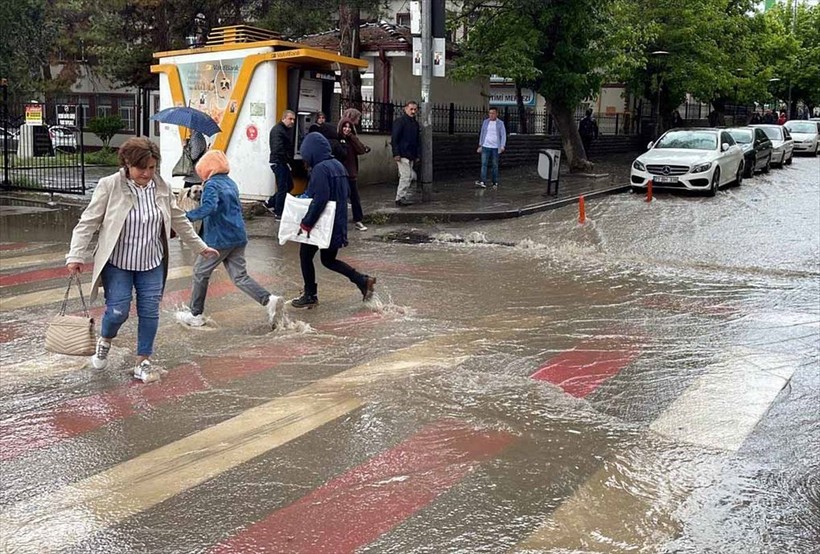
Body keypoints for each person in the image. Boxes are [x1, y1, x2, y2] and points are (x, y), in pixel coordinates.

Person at [65, 137, 218, 383]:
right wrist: (75, 255)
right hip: (118, 264)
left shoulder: (162, 187)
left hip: (151, 262)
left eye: (152, 168)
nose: (147, 173)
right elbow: (88, 223)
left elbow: (178, 219)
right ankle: (105, 340)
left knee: (149, 312)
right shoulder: (110, 186)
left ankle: (142, 361)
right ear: (127, 163)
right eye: (141, 168)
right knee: (117, 312)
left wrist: (200, 247)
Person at [175, 150, 285, 330]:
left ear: (207, 168)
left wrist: (187, 217)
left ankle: (195, 314)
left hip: (219, 239)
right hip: (238, 236)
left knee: (200, 272)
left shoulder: (211, 185)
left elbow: (209, 207)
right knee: (240, 276)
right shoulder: (231, 183)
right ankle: (269, 300)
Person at [291, 132, 376, 309]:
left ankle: (310, 294)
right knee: (328, 260)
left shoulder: (321, 169)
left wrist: (307, 223)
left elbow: (320, 199)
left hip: (322, 224)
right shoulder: (338, 165)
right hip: (337, 221)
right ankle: (362, 280)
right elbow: (346, 194)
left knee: (305, 255)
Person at [338, 114, 371, 231]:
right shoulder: (337, 139)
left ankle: (358, 220)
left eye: (349, 127)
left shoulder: (352, 139)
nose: (347, 129)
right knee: (341, 198)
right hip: (340, 173)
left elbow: (361, 150)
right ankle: (340, 221)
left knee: (355, 198)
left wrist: (352, 137)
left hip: (351, 173)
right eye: (344, 127)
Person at [264, 110, 296, 218]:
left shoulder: (282, 130)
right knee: (283, 187)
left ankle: (270, 203)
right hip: (279, 162)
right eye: (290, 119)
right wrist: (287, 161)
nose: (292, 121)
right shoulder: (278, 130)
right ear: (283, 118)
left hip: (281, 161)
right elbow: (278, 149)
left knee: (289, 185)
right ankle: (279, 212)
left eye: (293, 119)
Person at [391, 101, 420, 206]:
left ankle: (403, 196)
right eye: (411, 109)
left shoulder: (414, 124)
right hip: (403, 153)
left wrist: (416, 155)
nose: (413, 111)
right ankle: (400, 197)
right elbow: (395, 138)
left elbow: (416, 140)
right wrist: (396, 153)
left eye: (415, 109)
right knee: (406, 176)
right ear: (405, 109)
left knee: (409, 176)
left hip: (410, 153)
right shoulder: (400, 122)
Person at [475, 107, 507, 189]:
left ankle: (495, 182)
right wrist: (480, 145)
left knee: (495, 165)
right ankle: (483, 181)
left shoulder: (500, 123)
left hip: (495, 147)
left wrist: (502, 145)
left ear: (497, 114)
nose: (491, 115)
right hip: (486, 146)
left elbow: (503, 135)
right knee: (484, 164)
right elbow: (482, 133)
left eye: (493, 113)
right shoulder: (486, 122)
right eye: (490, 113)